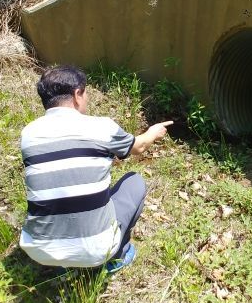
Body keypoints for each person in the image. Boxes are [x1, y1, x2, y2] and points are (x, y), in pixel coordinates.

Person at [19, 65, 173, 273]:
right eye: (86, 93)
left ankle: (62, 265)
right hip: (96, 251)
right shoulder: (102, 127)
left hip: (39, 251)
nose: (87, 98)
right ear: (77, 95)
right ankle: (117, 256)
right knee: (134, 181)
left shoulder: (29, 133)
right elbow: (139, 146)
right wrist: (154, 131)